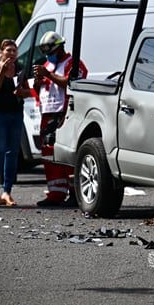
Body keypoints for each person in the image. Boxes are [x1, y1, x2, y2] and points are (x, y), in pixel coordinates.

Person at [33, 31, 87, 207]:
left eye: (51, 51)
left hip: (63, 112)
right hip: (47, 113)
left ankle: (74, 193)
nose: (48, 56)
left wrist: (48, 75)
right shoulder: (48, 64)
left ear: (59, 47)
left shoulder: (73, 63)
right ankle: (56, 193)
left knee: (67, 154)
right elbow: (39, 89)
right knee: (49, 155)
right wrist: (38, 80)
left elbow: (70, 83)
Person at [0, 39, 32, 207]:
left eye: (14, 51)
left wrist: (22, 92)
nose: (11, 53)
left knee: (12, 154)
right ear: (1, 52)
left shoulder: (19, 69)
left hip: (15, 115)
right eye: (8, 50)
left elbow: (28, 91)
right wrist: (2, 73)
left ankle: (7, 192)